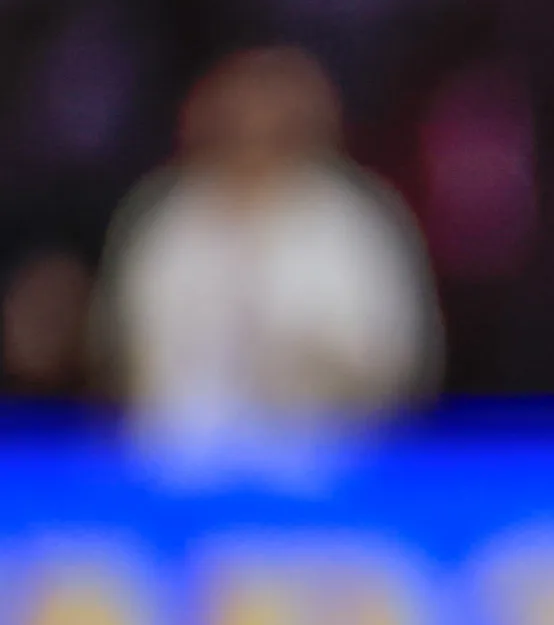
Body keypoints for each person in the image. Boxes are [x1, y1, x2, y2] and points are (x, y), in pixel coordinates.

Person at [94, 46, 440, 434]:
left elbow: (392, 358)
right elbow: (124, 351)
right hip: (177, 463)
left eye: (272, 124)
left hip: (326, 460)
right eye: (237, 123)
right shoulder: (166, 219)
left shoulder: (355, 224)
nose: (253, 133)